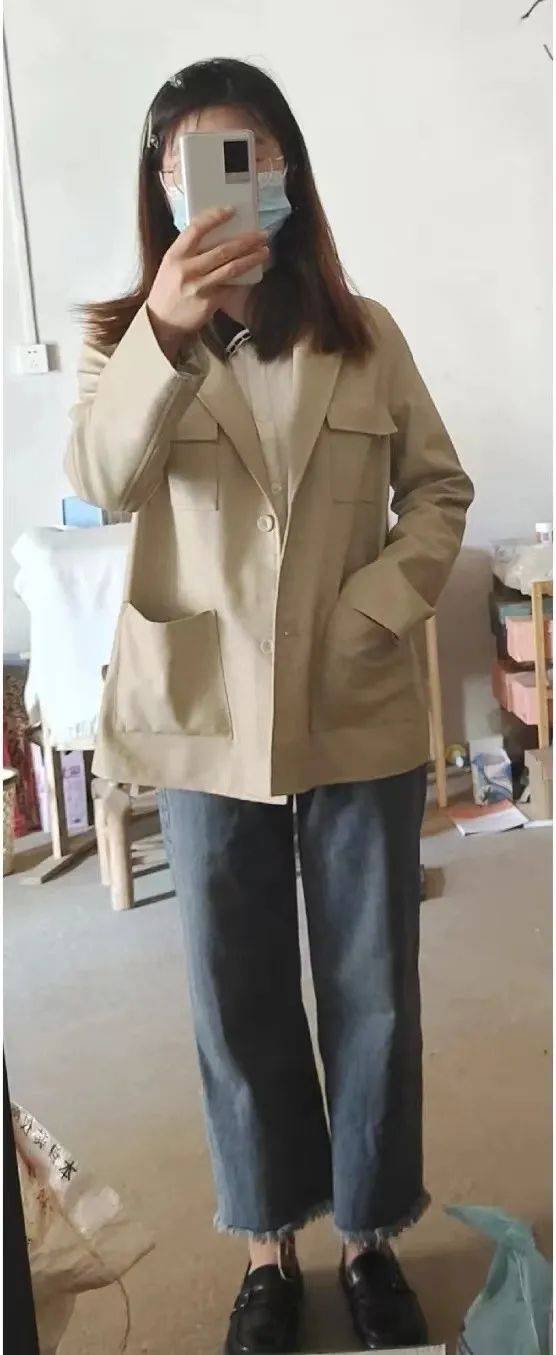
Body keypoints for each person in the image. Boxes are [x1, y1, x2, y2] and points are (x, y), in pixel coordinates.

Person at [65, 56, 474, 1354]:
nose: (226, 185)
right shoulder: (122, 342)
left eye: (251, 155)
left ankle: (368, 1236)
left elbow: (439, 492)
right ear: (160, 186)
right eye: (192, 162)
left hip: (351, 694)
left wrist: (380, 607)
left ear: (289, 170)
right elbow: (99, 486)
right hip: (201, 708)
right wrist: (165, 334)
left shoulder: (365, 334)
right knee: (234, 991)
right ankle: (265, 1247)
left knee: (374, 982)